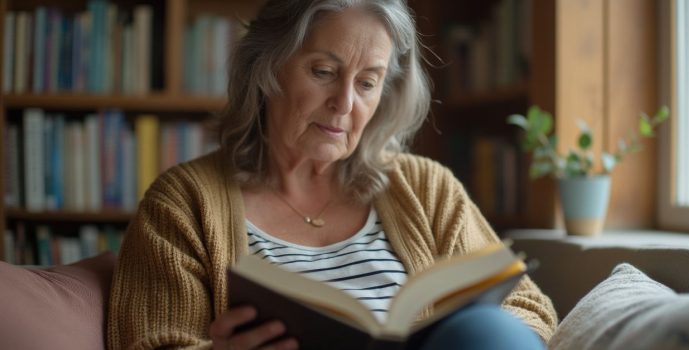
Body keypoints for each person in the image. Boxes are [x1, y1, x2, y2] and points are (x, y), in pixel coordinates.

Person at [107, 0, 558, 349]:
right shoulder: (183, 203)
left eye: (367, 83)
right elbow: (152, 340)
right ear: (266, 67)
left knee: (486, 327)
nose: (344, 103)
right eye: (324, 71)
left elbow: (529, 307)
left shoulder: (425, 187)